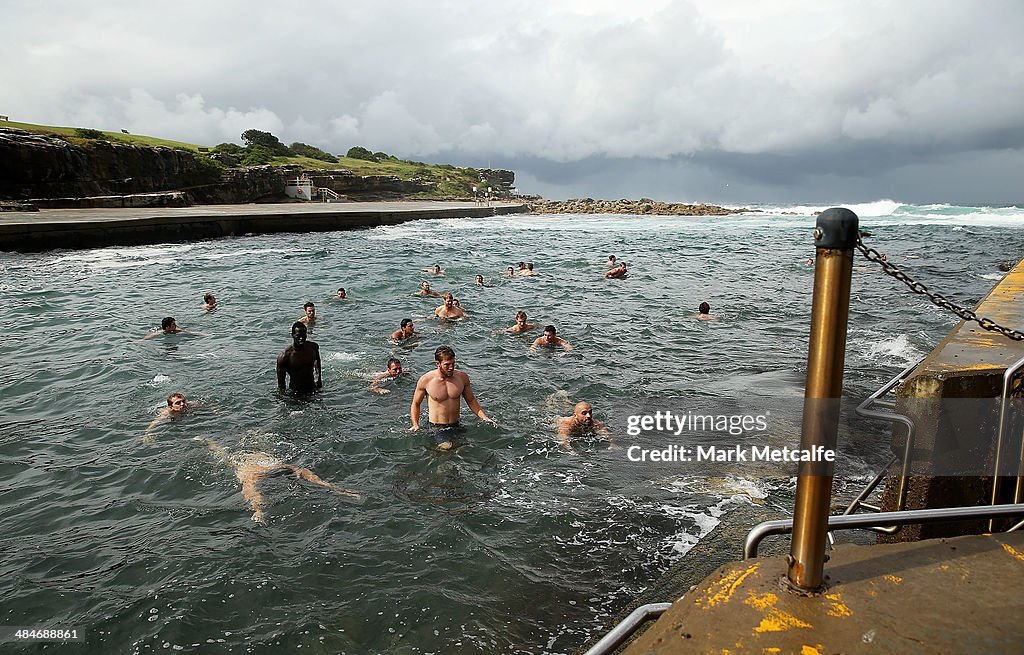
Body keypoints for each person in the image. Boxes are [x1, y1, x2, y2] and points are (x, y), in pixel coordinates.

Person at [196, 437, 360, 524]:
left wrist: (295, 470)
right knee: (222, 456)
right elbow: (249, 489)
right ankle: (258, 510)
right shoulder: (244, 467)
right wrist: (258, 509)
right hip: (256, 470)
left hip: (266, 466)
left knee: (300, 470)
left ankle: (333, 488)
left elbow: (294, 468)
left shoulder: (260, 462)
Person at [410, 345, 496, 449]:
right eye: (447, 365)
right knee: (446, 448)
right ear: (438, 364)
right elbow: (416, 403)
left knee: (463, 450)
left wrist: (484, 417)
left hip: (456, 425)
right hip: (437, 427)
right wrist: (415, 424)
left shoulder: (462, 378)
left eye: (453, 364)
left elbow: (471, 400)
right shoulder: (426, 380)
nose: (451, 367)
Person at [277, 322, 322, 392]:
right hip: (295, 392)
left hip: (313, 388)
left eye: (304, 335)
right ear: (292, 335)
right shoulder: (285, 357)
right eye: (298, 335)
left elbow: (317, 361)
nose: (301, 338)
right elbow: (281, 385)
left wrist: (319, 379)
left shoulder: (313, 347)